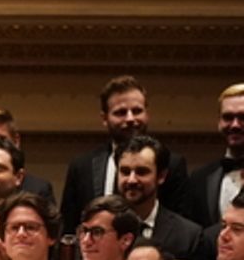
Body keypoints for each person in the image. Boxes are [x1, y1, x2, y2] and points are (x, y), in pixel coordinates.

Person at [60, 75, 189, 233]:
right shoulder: (81, 167)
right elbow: (68, 229)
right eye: (120, 112)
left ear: (147, 113)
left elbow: (178, 229)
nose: (130, 118)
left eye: (137, 111)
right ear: (104, 118)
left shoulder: (172, 164)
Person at [116, 135, 210, 260]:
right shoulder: (99, 232)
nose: (132, 180)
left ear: (161, 176)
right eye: (125, 171)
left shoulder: (189, 236)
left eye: (142, 172)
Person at [186, 83, 244, 228]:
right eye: (228, 117)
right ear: (219, 122)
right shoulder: (199, 178)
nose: (235, 125)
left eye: (243, 117)